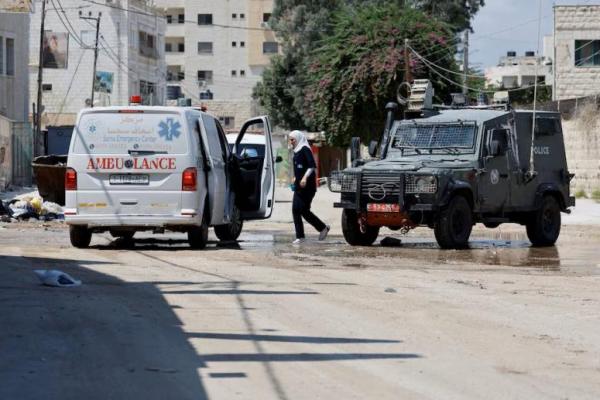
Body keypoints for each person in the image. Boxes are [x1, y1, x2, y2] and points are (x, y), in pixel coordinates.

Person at [289, 130, 330, 245]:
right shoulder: (296, 151)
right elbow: (298, 168)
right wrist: (295, 178)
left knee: (301, 210)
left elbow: (312, 166)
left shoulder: (305, 149)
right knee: (299, 210)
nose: (291, 142)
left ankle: (317, 230)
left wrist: (305, 178)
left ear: (298, 138)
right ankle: (320, 229)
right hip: (299, 186)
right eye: (290, 139)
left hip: (308, 187)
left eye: (292, 139)